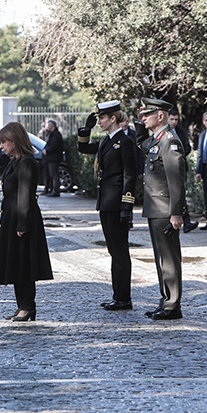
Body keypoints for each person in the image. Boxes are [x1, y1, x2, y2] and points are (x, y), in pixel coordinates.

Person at [77, 101, 137, 311]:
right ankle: (118, 295)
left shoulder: (125, 141)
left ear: (113, 118)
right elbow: (84, 148)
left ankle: (124, 298)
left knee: (120, 252)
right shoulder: (106, 142)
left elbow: (129, 176)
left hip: (117, 204)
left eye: (102, 118)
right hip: (105, 203)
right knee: (114, 251)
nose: (99, 121)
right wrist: (86, 130)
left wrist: (126, 207)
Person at [0, 122, 53, 322]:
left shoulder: (26, 162)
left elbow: (26, 195)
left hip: (21, 218)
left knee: (24, 265)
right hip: (12, 217)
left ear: (15, 141)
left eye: (4, 142)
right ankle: (21, 306)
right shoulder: (15, 161)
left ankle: (28, 306)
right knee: (16, 264)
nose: (1, 146)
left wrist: (22, 224)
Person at [135, 98, 186, 320]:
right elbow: (140, 143)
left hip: (165, 208)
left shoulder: (169, 142)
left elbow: (176, 180)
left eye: (147, 115)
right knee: (160, 258)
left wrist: (177, 212)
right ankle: (165, 300)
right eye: (142, 115)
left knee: (169, 258)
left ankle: (173, 305)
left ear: (161, 116)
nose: (143, 118)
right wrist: (139, 122)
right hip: (155, 208)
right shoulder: (156, 140)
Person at [168, 109, 198, 233]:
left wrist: (178, 155)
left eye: (176, 119)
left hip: (180, 166)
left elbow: (187, 147)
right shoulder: (164, 132)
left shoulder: (180, 131)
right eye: (172, 119)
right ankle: (182, 221)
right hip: (167, 167)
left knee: (180, 193)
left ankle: (186, 222)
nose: (174, 122)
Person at [42, 119, 63, 196]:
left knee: (54, 174)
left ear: (51, 126)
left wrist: (47, 151)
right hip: (50, 158)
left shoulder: (56, 135)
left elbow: (53, 146)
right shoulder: (52, 134)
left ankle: (56, 191)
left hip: (54, 158)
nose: (47, 127)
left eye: (48, 125)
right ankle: (51, 190)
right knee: (50, 174)